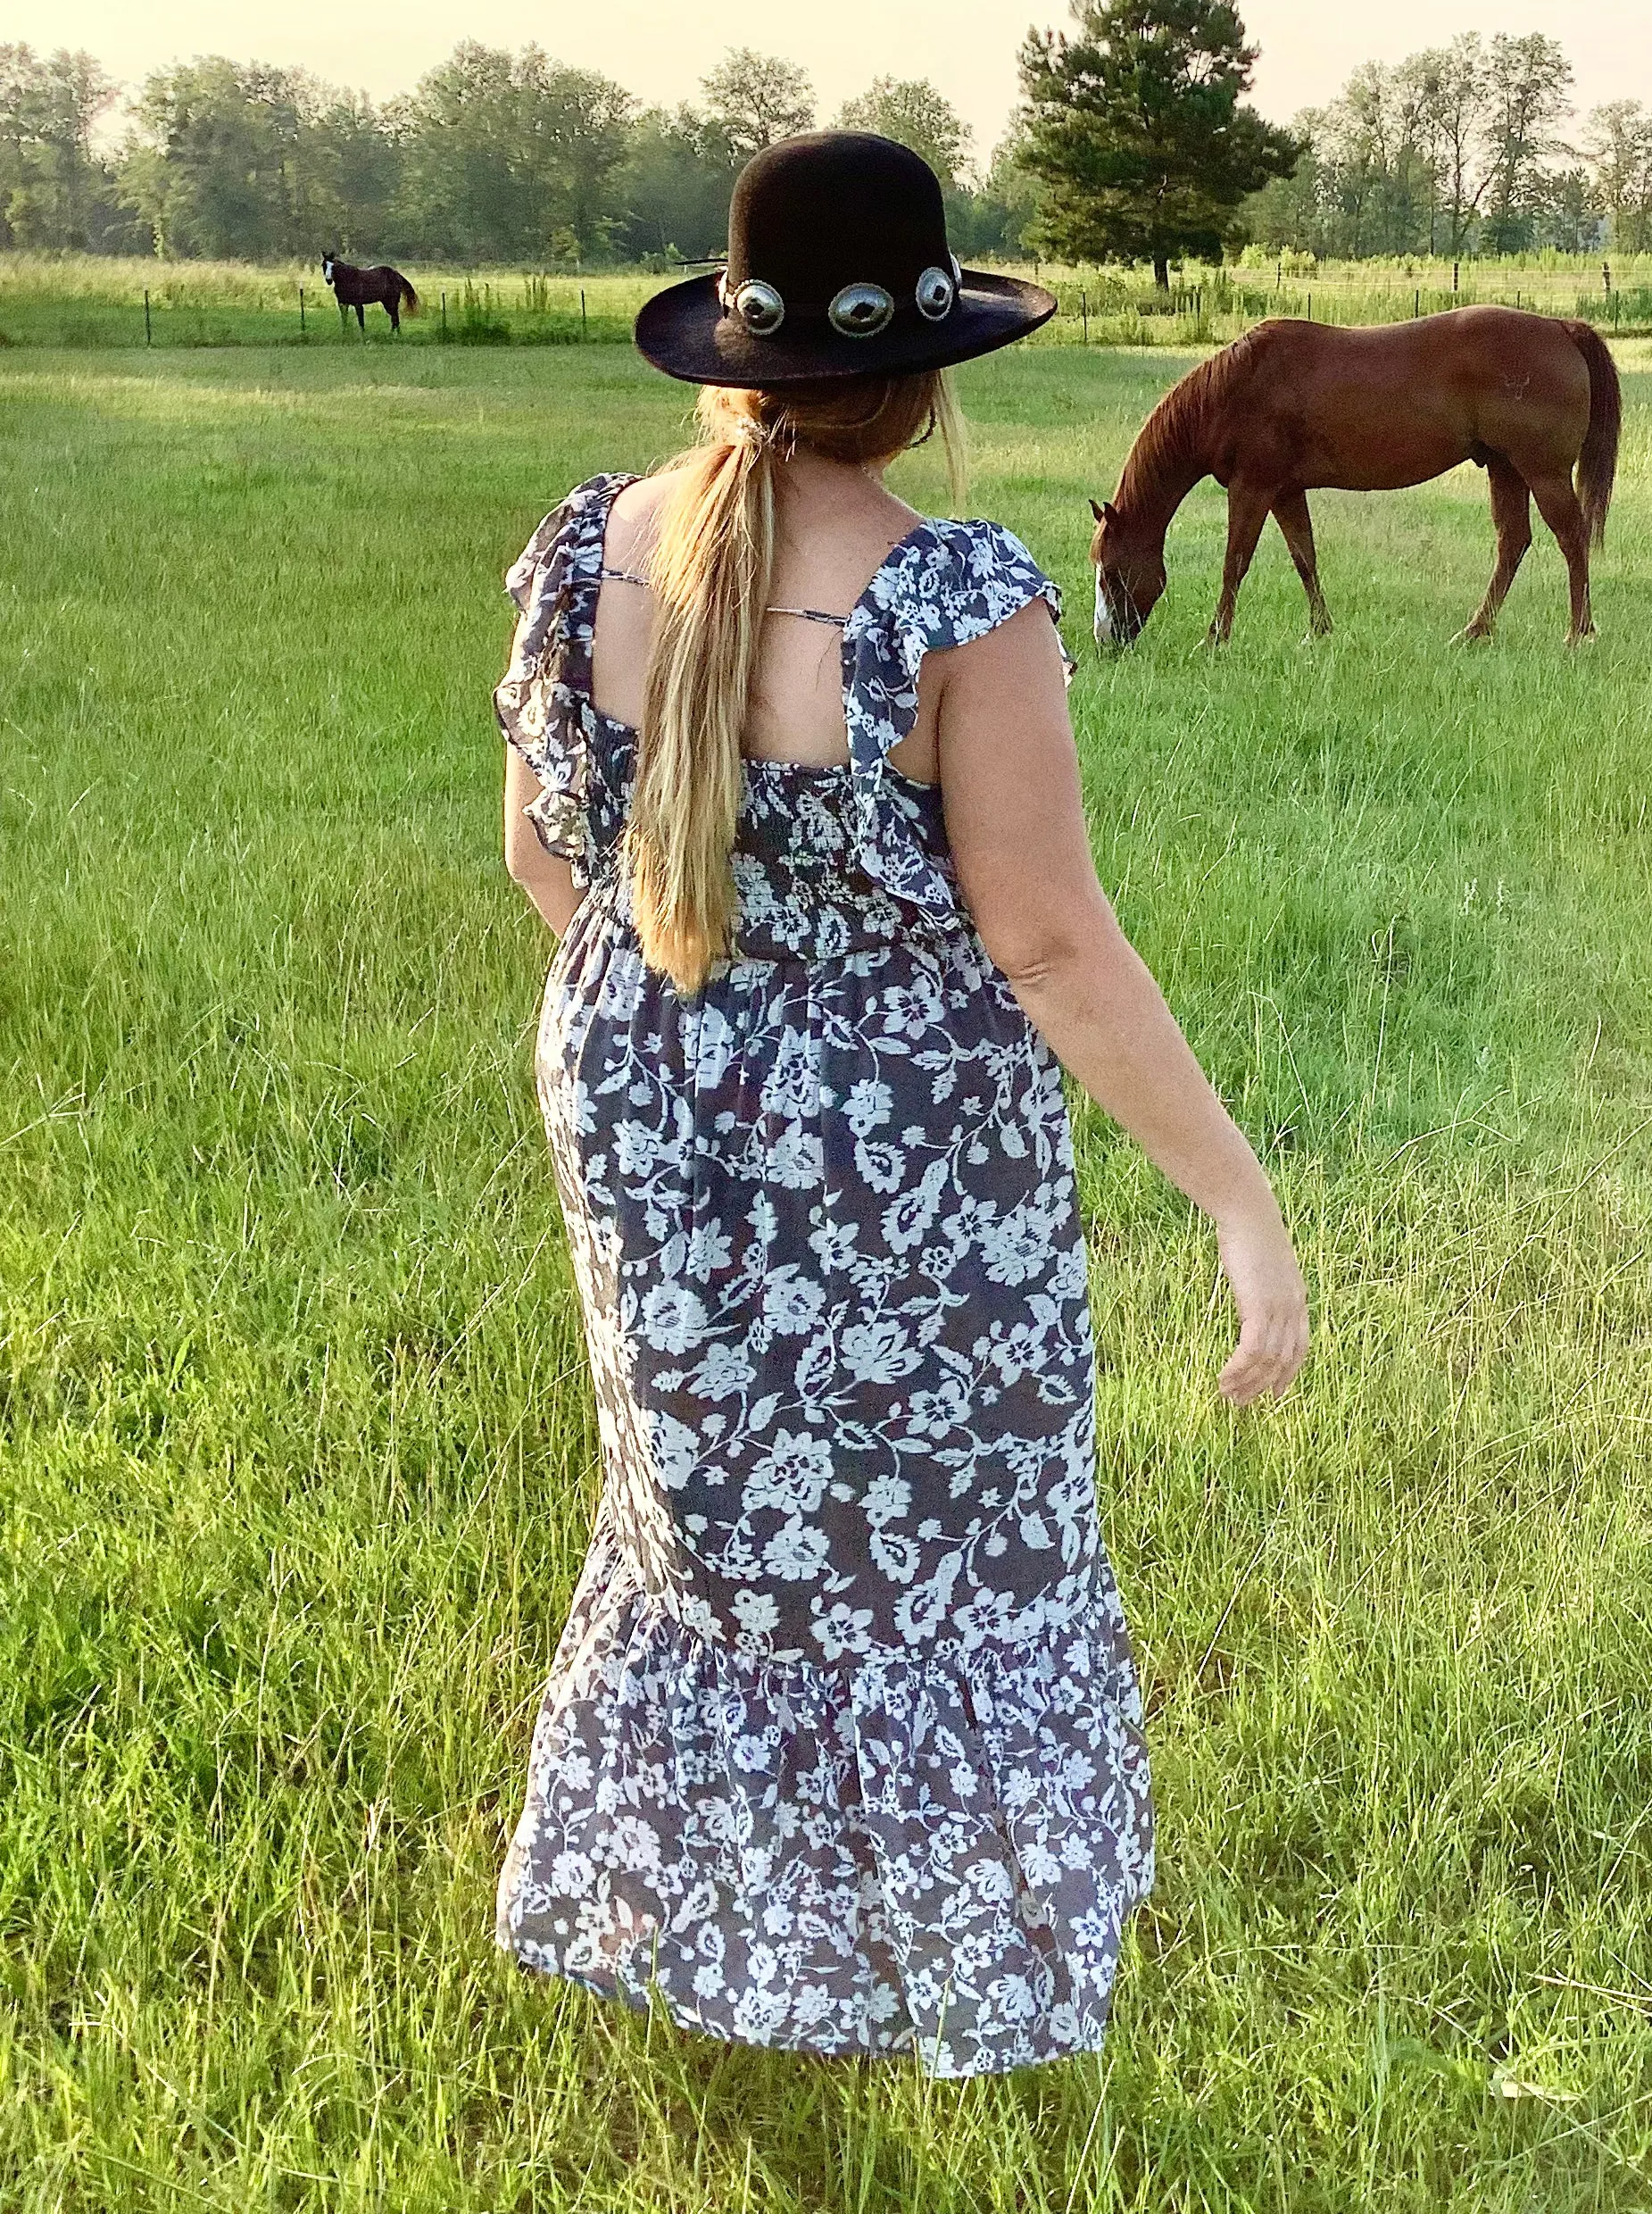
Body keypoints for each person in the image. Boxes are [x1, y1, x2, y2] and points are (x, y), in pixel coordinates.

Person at [492, 132, 1307, 2077]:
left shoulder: (588, 544)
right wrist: (1235, 1199)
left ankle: (714, 1944)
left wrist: (698, 1027)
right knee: (950, 1557)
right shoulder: (956, 601)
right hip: (907, 1170)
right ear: (931, 375)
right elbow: (1054, 952)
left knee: (712, 1547)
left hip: (640, 1102)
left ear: (735, 350)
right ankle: (924, 1963)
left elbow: (549, 860)